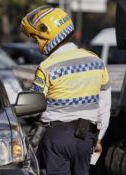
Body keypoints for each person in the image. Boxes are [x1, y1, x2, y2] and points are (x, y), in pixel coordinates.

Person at [20, 6, 111, 175]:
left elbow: (33, 103)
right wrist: (98, 138)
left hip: (56, 139)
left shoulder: (46, 67)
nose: (36, 42)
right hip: (86, 139)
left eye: (36, 38)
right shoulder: (96, 61)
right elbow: (105, 105)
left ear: (46, 34)